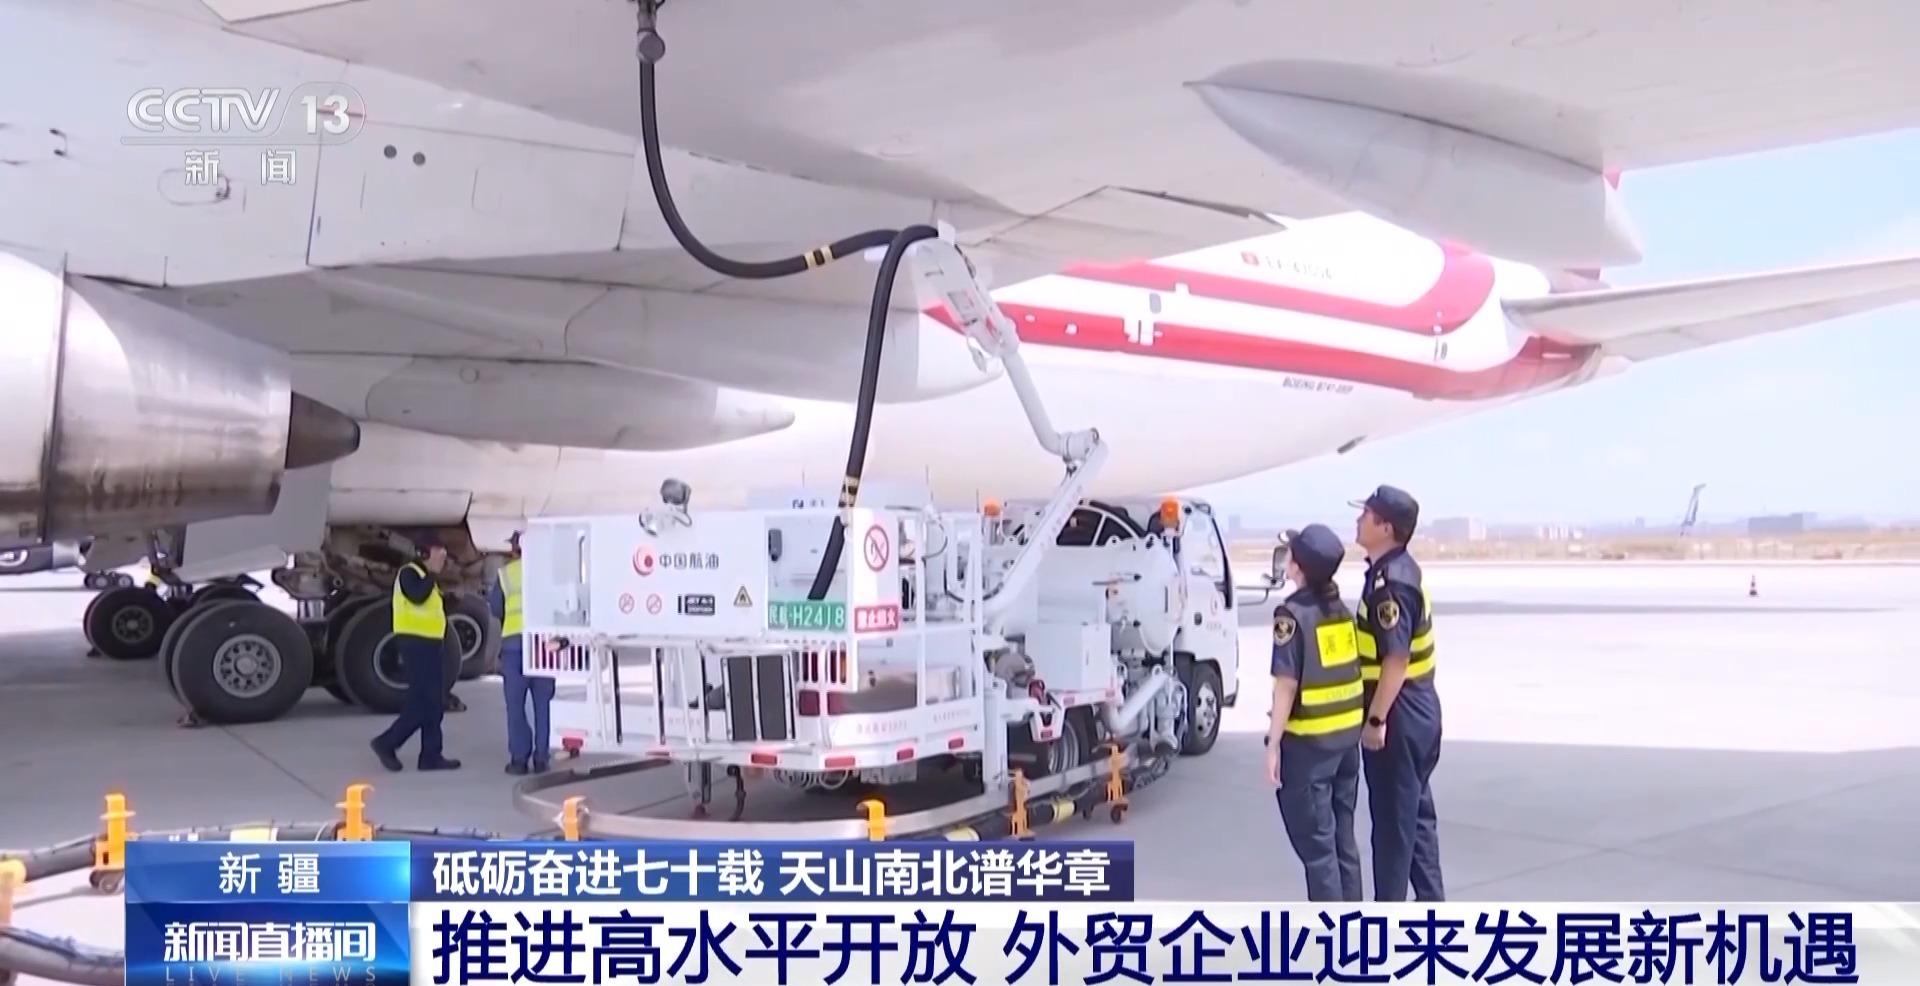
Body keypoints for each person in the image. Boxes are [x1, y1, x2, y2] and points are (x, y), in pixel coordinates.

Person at [1351, 484, 1445, 901]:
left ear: (1385, 527)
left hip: (1398, 712)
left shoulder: (1391, 584)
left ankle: (1385, 920)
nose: (1358, 521)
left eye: (1366, 515)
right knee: (1415, 821)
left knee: (1392, 825)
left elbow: (1396, 658)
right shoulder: (1393, 570)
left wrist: (1376, 720)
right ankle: (1434, 910)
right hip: (1415, 708)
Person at [1264, 523, 1365, 902]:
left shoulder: (1291, 615)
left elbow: (1286, 684)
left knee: (1319, 852)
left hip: (1310, 750)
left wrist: (1273, 744)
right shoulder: (1342, 612)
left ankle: (1333, 930)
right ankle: (1355, 924)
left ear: (1297, 566)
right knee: (1343, 842)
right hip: (1346, 745)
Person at [370, 539, 463, 772]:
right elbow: (417, 596)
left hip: (430, 644)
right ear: (424, 554)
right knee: (423, 701)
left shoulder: (426, 578)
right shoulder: (409, 573)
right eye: (439, 556)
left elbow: (430, 609)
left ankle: (431, 756)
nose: (442, 561)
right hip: (416, 644)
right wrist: (432, 573)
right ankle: (386, 743)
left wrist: (451, 600)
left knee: (434, 702)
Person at [493, 531, 553, 775]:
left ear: (515, 549)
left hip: (514, 646)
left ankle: (519, 760)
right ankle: (541, 758)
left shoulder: (506, 574)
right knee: (542, 704)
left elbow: (496, 608)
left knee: (515, 706)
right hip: (543, 646)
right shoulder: (548, 573)